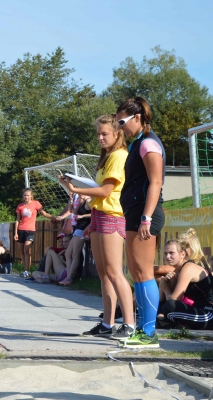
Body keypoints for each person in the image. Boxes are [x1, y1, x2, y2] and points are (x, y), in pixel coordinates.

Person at [59, 114, 135, 340]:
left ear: (117, 134)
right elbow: (100, 193)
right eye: (98, 134)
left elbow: (105, 191)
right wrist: (92, 217)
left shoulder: (120, 155)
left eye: (104, 134)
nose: (100, 138)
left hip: (113, 215)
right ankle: (107, 323)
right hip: (100, 214)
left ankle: (129, 324)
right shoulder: (107, 156)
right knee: (104, 274)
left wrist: (76, 190)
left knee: (114, 272)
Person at [116, 97, 166, 348]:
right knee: (136, 272)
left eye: (122, 122)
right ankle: (143, 330)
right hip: (135, 213)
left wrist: (146, 217)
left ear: (137, 117)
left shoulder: (148, 144)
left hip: (145, 214)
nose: (120, 128)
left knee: (144, 273)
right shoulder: (137, 144)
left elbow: (156, 182)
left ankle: (148, 333)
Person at [159, 233, 213, 330]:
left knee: (169, 307)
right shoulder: (178, 270)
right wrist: (164, 284)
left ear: (182, 254)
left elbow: (174, 301)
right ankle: (162, 320)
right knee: (164, 307)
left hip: (208, 313)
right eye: (165, 253)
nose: (167, 257)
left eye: (171, 253)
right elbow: (161, 300)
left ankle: (164, 321)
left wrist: (166, 289)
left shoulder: (188, 268)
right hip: (198, 309)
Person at [14, 188, 55, 278]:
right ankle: (25, 270)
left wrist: (53, 217)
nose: (26, 197)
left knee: (27, 249)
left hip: (31, 230)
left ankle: (28, 270)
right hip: (21, 229)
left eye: (28, 195)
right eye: (25, 195)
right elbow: (17, 219)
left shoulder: (36, 203)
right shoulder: (20, 206)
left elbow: (43, 213)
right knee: (22, 251)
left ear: (31, 196)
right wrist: (16, 232)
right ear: (23, 196)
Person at [59, 194, 91, 285]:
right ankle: (69, 275)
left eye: (81, 192)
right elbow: (74, 213)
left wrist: (83, 216)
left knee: (75, 254)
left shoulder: (89, 201)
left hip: (83, 229)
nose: (79, 194)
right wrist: (73, 204)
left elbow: (95, 213)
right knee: (67, 253)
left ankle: (69, 278)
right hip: (77, 229)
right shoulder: (81, 201)